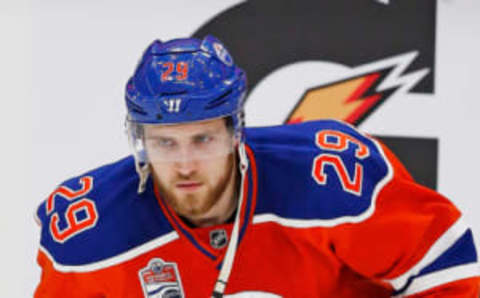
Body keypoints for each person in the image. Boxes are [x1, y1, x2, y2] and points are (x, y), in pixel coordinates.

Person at [34, 35, 479, 298]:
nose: (185, 164)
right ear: (141, 142)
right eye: (165, 143)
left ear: (235, 132)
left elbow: (449, 269)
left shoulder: (329, 179)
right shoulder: (89, 236)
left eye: (203, 139)